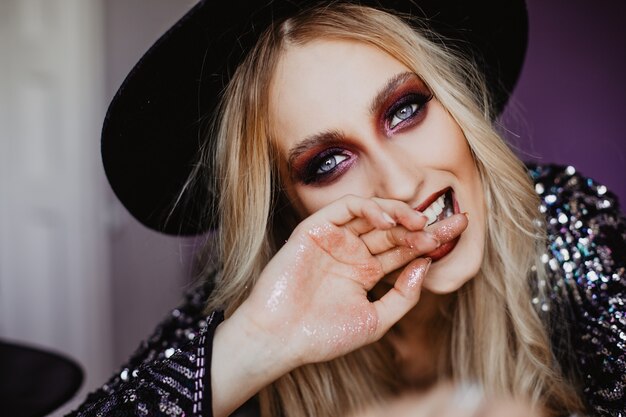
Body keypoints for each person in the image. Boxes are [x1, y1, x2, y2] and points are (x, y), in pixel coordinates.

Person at [68, 1, 626, 416]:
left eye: (405, 110)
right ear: (289, 210)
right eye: (328, 163)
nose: (402, 183)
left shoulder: (565, 220)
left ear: (456, 102)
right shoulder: (250, 310)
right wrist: (255, 345)